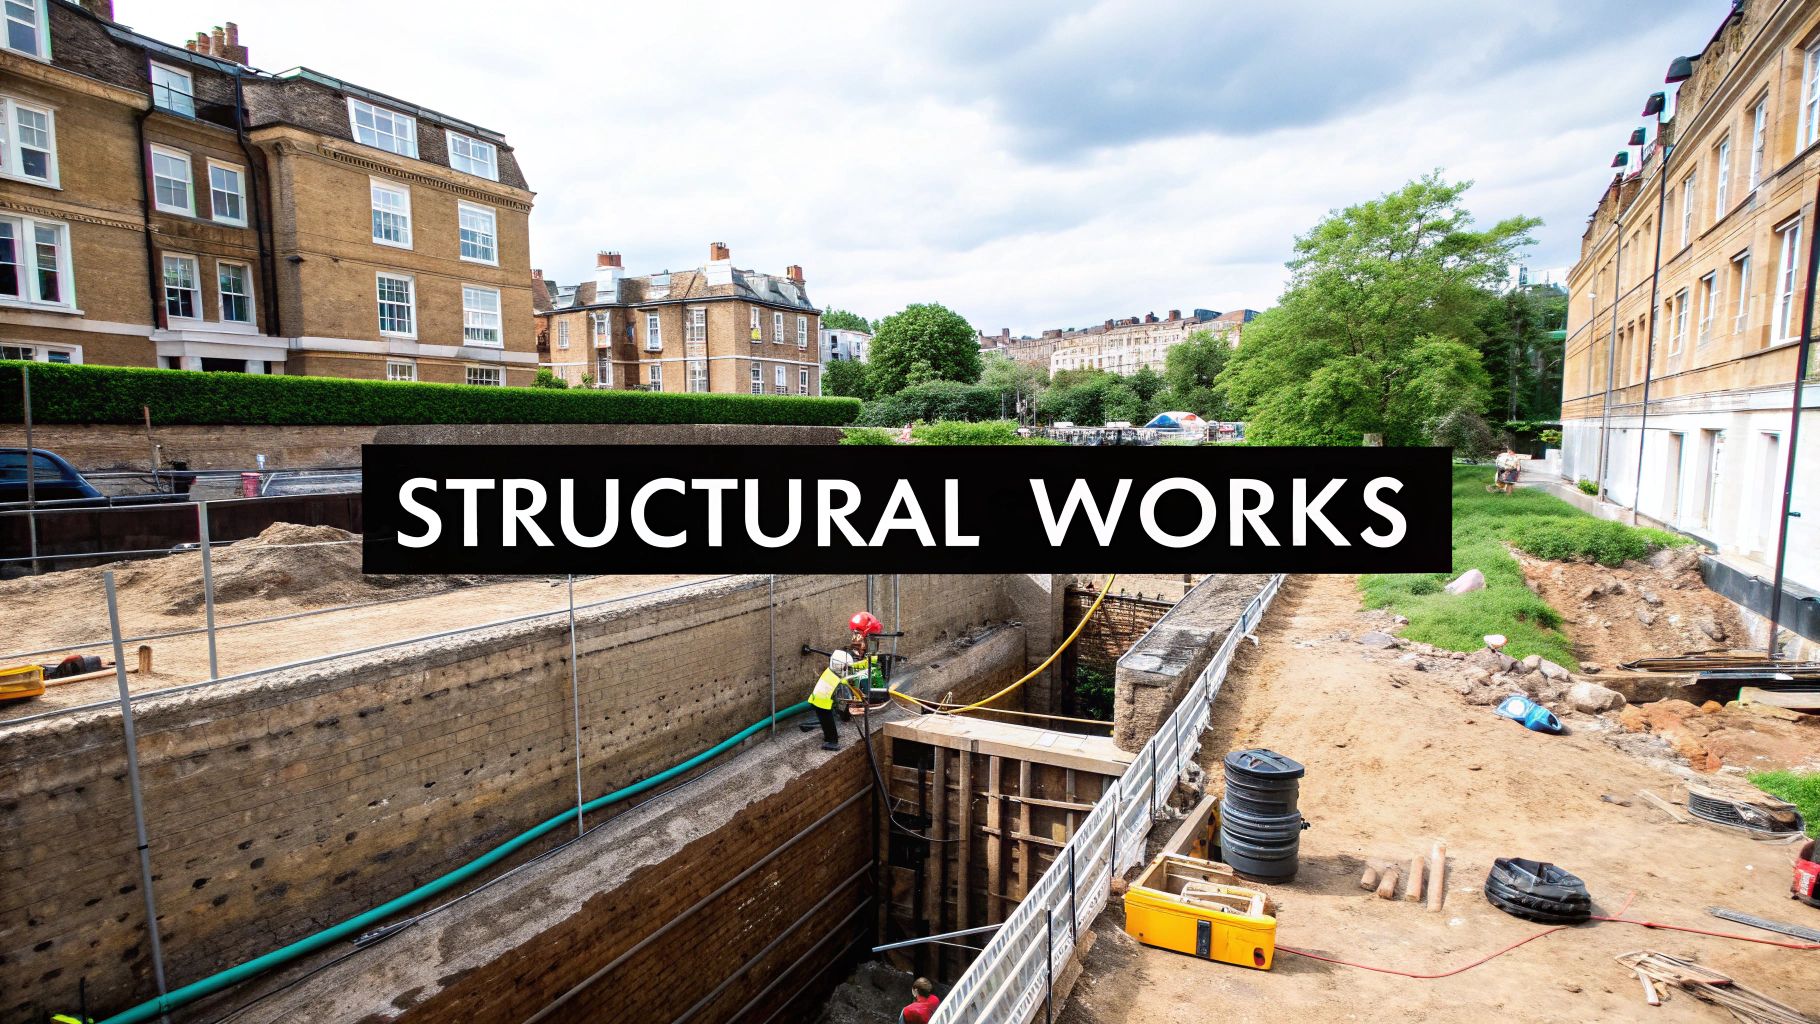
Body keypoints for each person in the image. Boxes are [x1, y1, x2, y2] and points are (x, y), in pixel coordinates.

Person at [802, 648, 855, 751]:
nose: (846, 669)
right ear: (839, 665)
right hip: (822, 703)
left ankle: (830, 738)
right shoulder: (838, 677)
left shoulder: (830, 672)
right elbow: (844, 696)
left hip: (819, 701)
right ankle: (832, 741)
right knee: (828, 722)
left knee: (826, 722)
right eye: (845, 667)